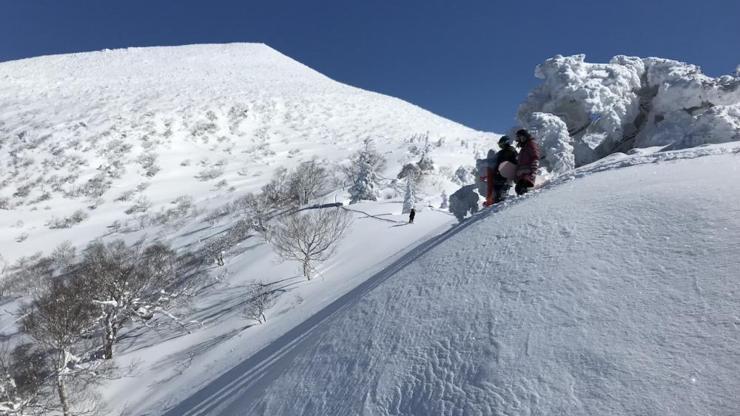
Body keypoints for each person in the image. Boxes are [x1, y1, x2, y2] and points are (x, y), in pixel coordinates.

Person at [514, 129, 541, 195]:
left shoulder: (531, 144)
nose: (520, 139)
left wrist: (533, 171)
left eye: (521, 137)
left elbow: (535, 157)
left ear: (525, 136)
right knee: (519, 189)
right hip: (523, 174)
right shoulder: (524, 148)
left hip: (528, 174)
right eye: (519, 137)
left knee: (520, 189)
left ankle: (527, 203)